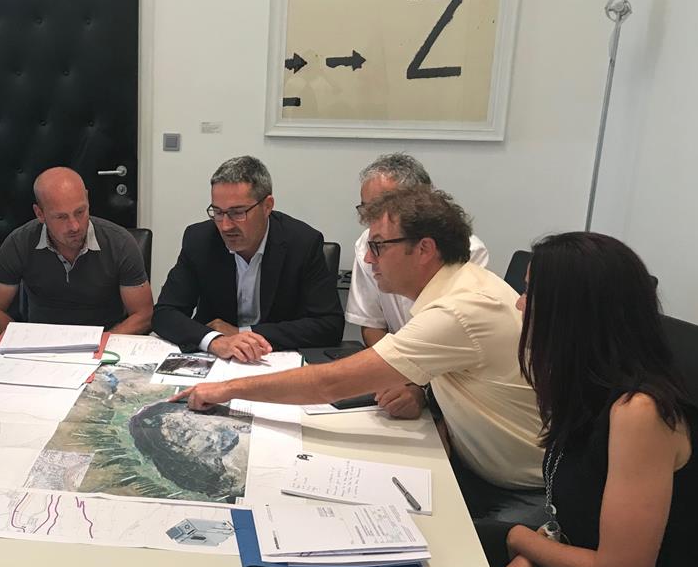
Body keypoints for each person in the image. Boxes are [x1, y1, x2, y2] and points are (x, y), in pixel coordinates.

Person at [176, 187, 544, 524]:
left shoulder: (459, 311)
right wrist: (420, 389)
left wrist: (225, 389)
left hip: (521, 493)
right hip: (482, 468)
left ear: (424, 249)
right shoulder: (466, 285)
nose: (368, 259)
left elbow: (330, 383)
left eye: (379, 246)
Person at [477, 232, 698, 567]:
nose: (520, 305)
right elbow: (580, 514)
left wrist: (522, 540)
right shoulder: (592, 392)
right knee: (461, 551)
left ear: (571, 313)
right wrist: (535, 554)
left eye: (530, 293)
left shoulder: (640, 412)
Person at [152, 155, 343, 360]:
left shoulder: (302, 243)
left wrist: (242, 333)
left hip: (274, 359)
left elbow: (329, 324)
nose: (225, 226)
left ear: (267, 206)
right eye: (218, 212)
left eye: (237, 213)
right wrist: (215, 340)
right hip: (215, 359)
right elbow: (165, 313)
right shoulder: (200, 240)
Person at [345, 152, 490, 419]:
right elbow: (372, 323)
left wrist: (419, 389)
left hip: (451, 389)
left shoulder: (466, 253)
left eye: (383, 207)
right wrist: (395, 378)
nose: (372, 219)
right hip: (399, 375)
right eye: (366, 209)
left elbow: (451, 347)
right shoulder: (368, 245)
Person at [0, 166, 153, 335]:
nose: (74, 226)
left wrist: (103, 342)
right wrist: (25, 339)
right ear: (40, 214)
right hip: (41, 341)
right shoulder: (20, 243)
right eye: (61, 217)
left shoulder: (120, 243)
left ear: (87, 200)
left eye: (80, 212)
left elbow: (144, 315)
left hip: (105, 338)